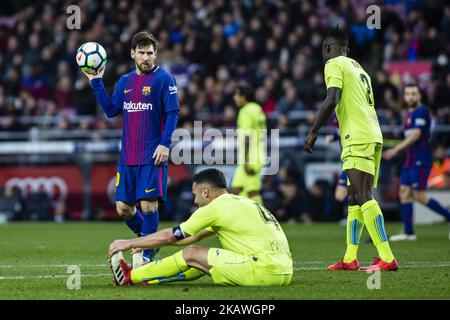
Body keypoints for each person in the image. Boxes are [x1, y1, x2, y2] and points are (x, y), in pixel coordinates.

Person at [304, 26, 398, 272]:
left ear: (329, 48)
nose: (323, 54)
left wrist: (314, 131)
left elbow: (332, 98)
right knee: (354, 197)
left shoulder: (334, 64)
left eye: (324, 49)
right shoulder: (359, 69)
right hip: (369, 133)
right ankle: (350, 258)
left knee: (363, 194)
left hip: (357, 136)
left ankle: (387, 257)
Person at [83, 32, 179, 264]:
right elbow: (111, 110)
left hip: (152, 155)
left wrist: (165, 144)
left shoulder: (164, 79)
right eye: (142, 53)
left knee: (148, 204)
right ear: (133, 54)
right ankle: (148, 240)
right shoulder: (125, 81)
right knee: (123, 209)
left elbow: (172, 112)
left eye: (150, 53)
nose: (146, 58)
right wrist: (96, 81)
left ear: (155, 54)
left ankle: (146, 255)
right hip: (127, 157)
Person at [108, 168, 293, 286]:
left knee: (192, 254)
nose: (195, 201)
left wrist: (129, 243)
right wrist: (146, 243)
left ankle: (130, 277)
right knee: (198, 262)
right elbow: (190, 237)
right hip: (284, 271)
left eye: (195, 195)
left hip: (263, 270)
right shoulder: (242, 202)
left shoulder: (215, 207)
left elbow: (174, 237)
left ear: (206, 191)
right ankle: (147, 277)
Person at [383, 84, 450, 241]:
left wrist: (395, 149)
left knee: (419, 195)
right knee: (404, 193)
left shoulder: (421, 111)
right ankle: (409, 232)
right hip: (410, 160)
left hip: (421, 158)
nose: (410, 97)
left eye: (414, 93)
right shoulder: (408, 113)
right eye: (408, 94)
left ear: (419, 96)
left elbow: (416, 135)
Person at [230, 83, 267, 204]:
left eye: (236, 94)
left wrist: (245, 160)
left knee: (238, 192)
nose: (234, 97)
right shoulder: (257, 109)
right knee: (248, 192)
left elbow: (247, 136)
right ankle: (260, 219)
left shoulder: (245, 111)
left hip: (249, 157)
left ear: (243, 96)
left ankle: (263, 219)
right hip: (258, 155)